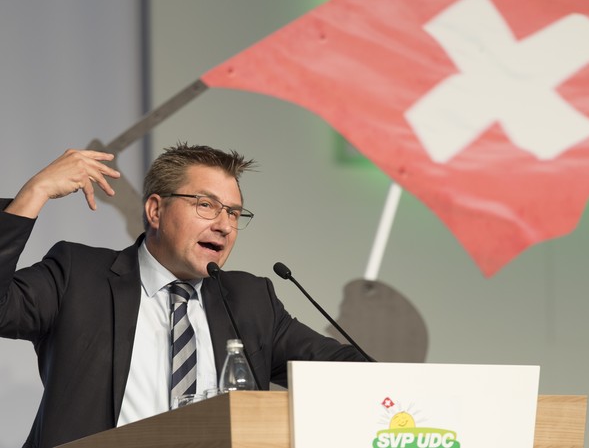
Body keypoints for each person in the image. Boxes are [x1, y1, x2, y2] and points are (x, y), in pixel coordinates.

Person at [0, 144, 366, 448]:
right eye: (206, 205)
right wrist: (34, 193)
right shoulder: (78, 275)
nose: (224, 225)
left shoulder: (250, 300)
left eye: (234, 213)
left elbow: (341, 369)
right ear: (155, 210)